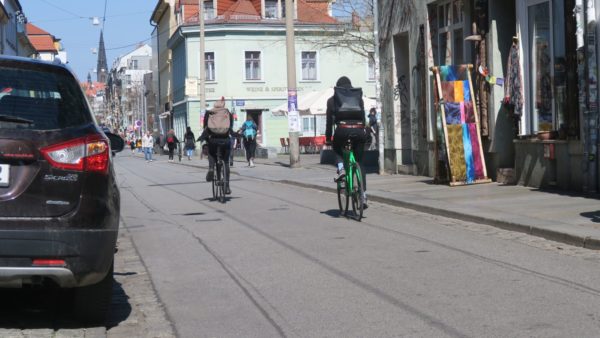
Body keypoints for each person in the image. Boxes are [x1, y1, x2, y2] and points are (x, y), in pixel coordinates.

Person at [325, 76, 369, 208]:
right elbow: (363, 116)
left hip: (342, 130)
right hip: (359, 131)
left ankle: (341, 168)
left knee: (338, 149)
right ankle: (363, 195)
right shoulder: (358, 98)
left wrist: (328, 138)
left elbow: (329, 122)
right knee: (359, 162)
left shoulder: (332, 100)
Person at [199, 97, 233, 194]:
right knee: (225, 162)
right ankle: (226, 186)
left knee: (211, 153)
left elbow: (205, 127)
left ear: (214, 105)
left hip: (213, 140)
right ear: (223, 105)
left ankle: (211, 168)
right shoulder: (227, 113)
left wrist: (206, 140)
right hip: (225, 140)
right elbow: (231, 126)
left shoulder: (209, 113)